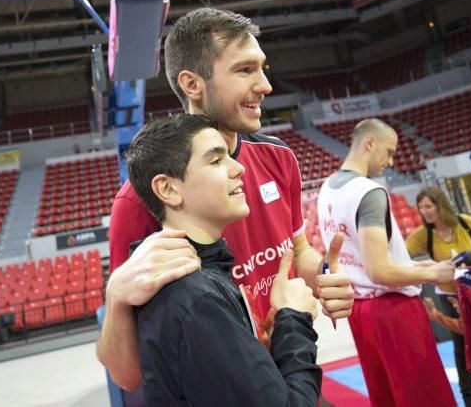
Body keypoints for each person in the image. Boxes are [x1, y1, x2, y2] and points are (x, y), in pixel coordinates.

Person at [97, 7, 354, 390]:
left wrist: (322, 278)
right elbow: (127, 375)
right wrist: (116, 298)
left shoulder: (279, 157)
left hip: (286, 371)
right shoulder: (140, 198)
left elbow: (295, 250)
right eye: (245, 70)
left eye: (263, 68)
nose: (265, 85)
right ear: (192, 84)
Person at [125, 113, 324, 405]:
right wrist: (294, 319)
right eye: (216, 160)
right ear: (168, 189)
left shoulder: (198, 277)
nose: (239, 168)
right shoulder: (197, 300)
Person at [317, 118, 457, 406]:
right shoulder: (368, 192)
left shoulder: (326, 188)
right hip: (393, 313)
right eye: (390, 152)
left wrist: (422, 267)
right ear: (370, 143)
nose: (391, 161)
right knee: (424, 397)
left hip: (360, 311)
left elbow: (361, 260)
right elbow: (379, 270)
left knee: (386, 397)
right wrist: (435, 274)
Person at [406, 186, 471, 407]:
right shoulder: (423, 235)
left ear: (440, 204)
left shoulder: (464, 222)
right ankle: (469, 401)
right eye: (420, 207)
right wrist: (429, 267)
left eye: (428, 205)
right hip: (449, 296)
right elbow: (400, 256)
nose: (424, 211)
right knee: (461, 347)